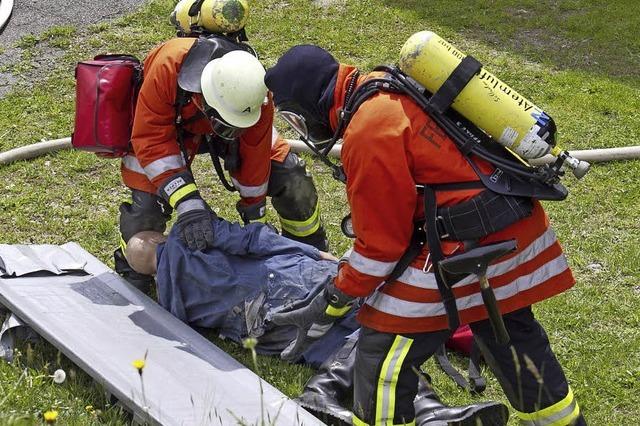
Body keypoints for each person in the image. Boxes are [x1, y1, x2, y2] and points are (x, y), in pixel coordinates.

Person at [264, 45, 585, 425]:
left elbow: (381, 250)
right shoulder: (385, 87)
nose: (304, 128)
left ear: (311, 101)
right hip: (516, 227)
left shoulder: (368, 131)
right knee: (511, 337)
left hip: (471, 243)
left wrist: (335, 297)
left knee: (380, 357)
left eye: (295, 118)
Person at [125, 224, 509, 425]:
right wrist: (314, 252)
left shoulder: (171, 307)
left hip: (269, 329)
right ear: (160, 236)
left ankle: (420, 413)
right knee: (379, 333)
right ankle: (430, 412)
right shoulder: (190, 234)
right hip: (292, 283)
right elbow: (257, 240)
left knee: (365, 345)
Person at [114, 0, 328, 292]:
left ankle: (308, 245)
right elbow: (151, 139)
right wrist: (189, 204)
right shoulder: (168, 65)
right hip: (167, 130)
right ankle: (134, 264)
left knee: (289, 173)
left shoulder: (255, 91)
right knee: (146, 205)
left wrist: (256, 221)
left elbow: (256, 156)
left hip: (221, 121)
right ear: (204, 96)